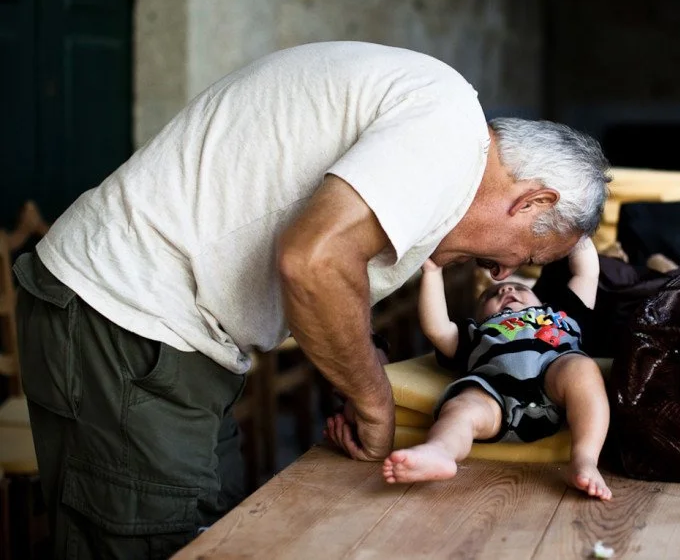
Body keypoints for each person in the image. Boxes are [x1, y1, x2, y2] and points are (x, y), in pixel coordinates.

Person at [13, 41, 610, 557]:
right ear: (532, 201)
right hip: (125, 315)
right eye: (528, 256)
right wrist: (374, 403)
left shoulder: (443, 126)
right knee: (153, 539)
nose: (506, 269)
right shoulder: (448, 135)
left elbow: (330, 266)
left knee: (209, 532)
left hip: (164, 331)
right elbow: (314, 261)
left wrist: (363, 358)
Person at [376, 236, 612, 501]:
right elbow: (437, 328)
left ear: (541, 300)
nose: (504, 291)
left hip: (553, 379)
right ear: (478, 316)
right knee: (461, 408)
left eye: (518, 289)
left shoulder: (562, 314)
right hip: (495, 396)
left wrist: (576, 235)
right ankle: (440, 450)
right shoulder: (475, 332)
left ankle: (585, 459)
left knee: (582, 370)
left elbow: (586, 272)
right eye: (489, 295)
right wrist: (432, 272)